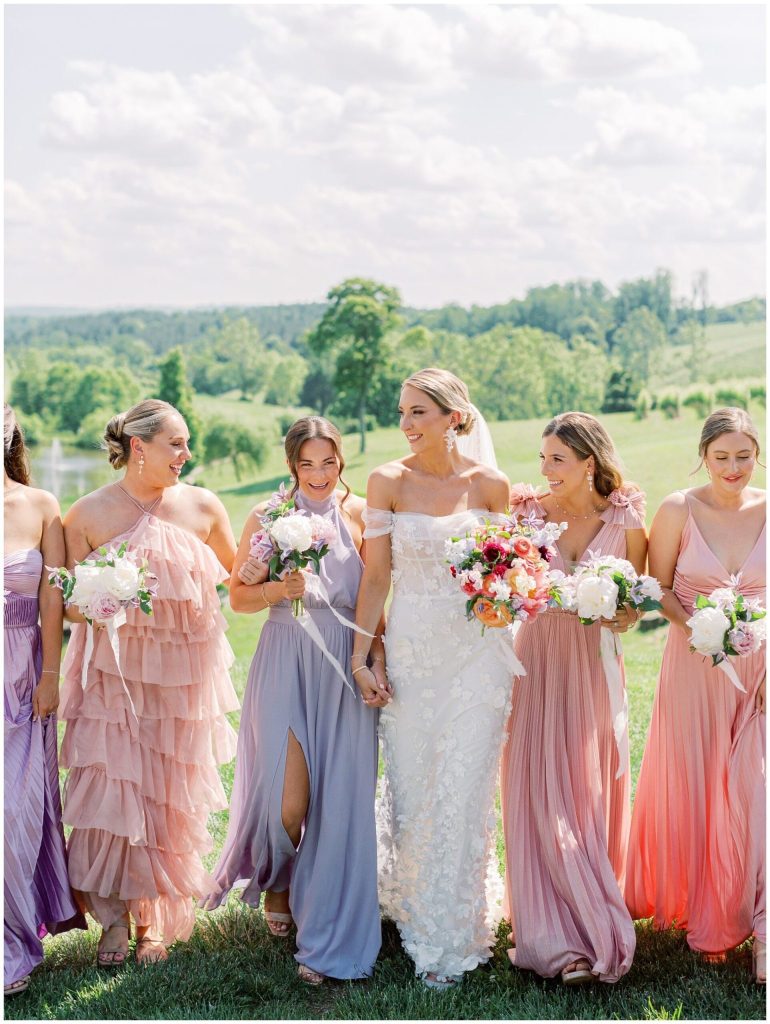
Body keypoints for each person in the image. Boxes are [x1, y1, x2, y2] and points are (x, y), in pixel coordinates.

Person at [202, 416, 383, 985]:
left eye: (330, 462)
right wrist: (277, 587)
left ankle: (326, 919)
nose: (321, 474)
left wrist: (375, 659)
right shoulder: (269, 517)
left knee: (341, 804)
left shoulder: (362, 517)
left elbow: (379, 596)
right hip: (285, 657)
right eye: (309, 464)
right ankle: (279, 879)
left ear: (341, 462)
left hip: (344, 661)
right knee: (288, 802)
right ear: (292, 467)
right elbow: (239, 598)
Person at [58, 399, 239, 966]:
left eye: (186, 445)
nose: (187, 455)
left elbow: (237, 580)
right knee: (114, 792)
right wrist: (96, 601)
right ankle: (111, 922)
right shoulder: (86, 514)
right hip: (111, 680)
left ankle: (152, 923)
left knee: (168, 795)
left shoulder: (204, 507)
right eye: (176, 444)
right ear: (140, 448)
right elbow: (66, 607)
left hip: (180, 682)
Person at [352, 368, 512, 989]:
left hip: (479, 657)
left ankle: (452, 932)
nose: (407, 424)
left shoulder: (491, 484)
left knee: (467, 788)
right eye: (402, 412)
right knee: (416, 788)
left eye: (419, 412)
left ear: (455, 417)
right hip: (415, 653)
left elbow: (507, 573)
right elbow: (375, 579)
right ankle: (417, 907)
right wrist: (364, 655)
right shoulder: (387, 481)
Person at [501, 411, 646, 985]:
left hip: (593, 664)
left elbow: (634, 610)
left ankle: (592, 917)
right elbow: (509, 586)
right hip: (536, 660)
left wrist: (616, 609)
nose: (545, 470)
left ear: (590, 461)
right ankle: (552, 936)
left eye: (557, 460)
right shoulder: (527, 512)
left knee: (585, 790)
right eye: (542, 459)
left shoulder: (626, 512)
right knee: (539, 791)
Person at [626, 408, 766, 984]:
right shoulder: (679, 508)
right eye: (721, 457)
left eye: (744, 456)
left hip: (758, 668)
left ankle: (757, 919)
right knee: (702, 780)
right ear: (703, 456)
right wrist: (701, 629)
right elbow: (656, 589)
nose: (732, 468)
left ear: (756, 455)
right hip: (693, 664)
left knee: (754, 787)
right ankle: (710, 910)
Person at [4, 405, 85, 997]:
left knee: (15, 813)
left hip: (25, 677)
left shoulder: (42, 506)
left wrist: (52, 671)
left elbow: (56, 597)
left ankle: (11, 939)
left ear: (9, 431)